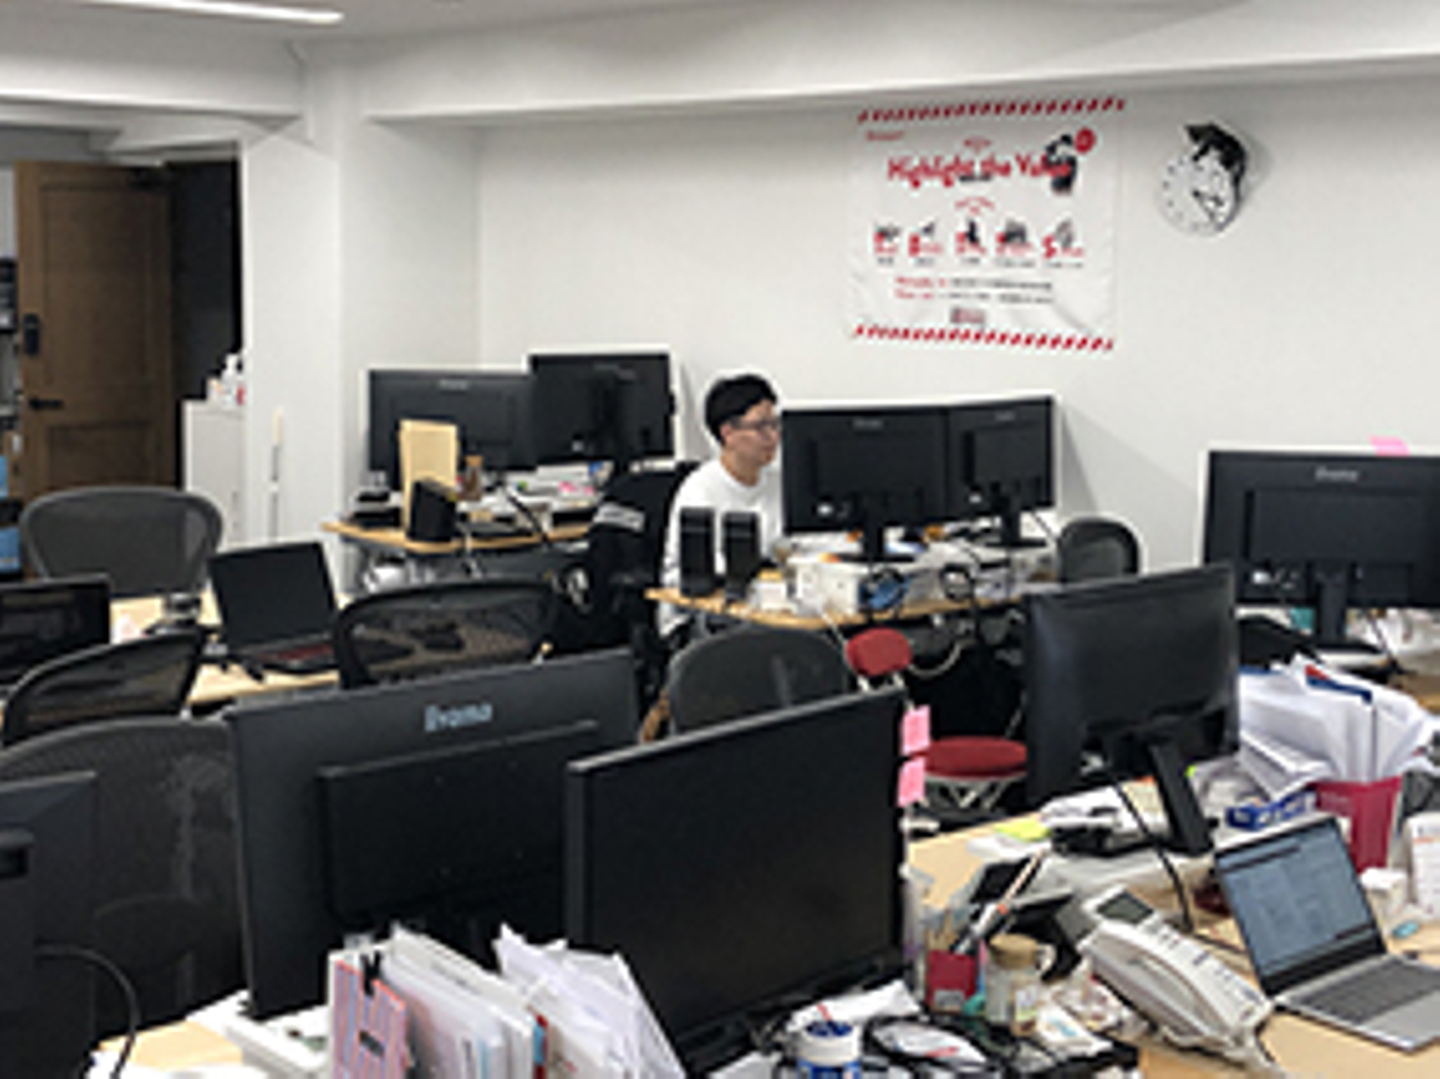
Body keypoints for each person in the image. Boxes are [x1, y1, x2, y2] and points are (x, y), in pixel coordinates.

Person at [658, 372, 783, 642]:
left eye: (775, 424)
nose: (773, 436)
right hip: (702, 614)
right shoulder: (700, 489)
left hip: (763, 608)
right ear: (728, 433)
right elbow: (688, 569)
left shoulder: (779, 483)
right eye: (762, 427)